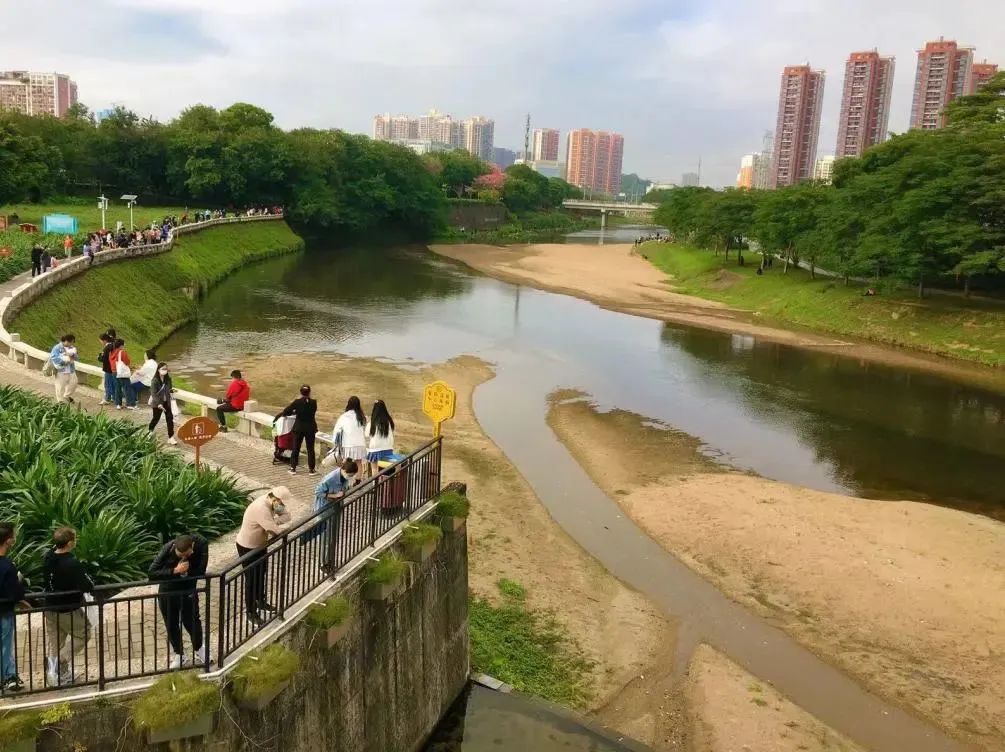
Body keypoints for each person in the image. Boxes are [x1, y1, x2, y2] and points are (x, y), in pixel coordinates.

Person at [42, 527, 94, 686]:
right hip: (67, 609)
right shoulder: (72, 563)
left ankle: (59, 677)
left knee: (57, 642)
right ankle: (55, 664)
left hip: (50, 607)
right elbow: (87, 585)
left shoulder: (48, 557)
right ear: (70, 543)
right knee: (83, 634)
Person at [234, 488, 293, 627]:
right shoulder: (262, 508)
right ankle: (250, 612)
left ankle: (260, 600)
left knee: (262, 572)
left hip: (259, 544)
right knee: (251, 579)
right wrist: (273, 525)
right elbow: (273, 531)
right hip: (247, 546)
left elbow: (287, 516)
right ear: (276, 498)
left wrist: (274, 522)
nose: (281, 504)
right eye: (280, 501)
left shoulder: (273, 501)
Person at [149, 534, 208, 669]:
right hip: (167, 591)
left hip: (188, 590)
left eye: (188, 552)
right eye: (184, 554)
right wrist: (175, 570)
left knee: (192, 621)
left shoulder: (200, 544)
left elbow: (201, 570)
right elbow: (152, 573)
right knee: (171, 623)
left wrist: (187, 572)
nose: (189, 555)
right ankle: (179, 654)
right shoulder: (167, 549)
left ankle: (199, 648)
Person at [312, 459, 359, 572]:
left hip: (336, 509)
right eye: (349, 474)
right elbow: (318, 492)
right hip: (324, 510)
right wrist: (334, 495)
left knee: (333, 537)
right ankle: (323, 564)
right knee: (325, 539)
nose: (350, 476)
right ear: (343, 470)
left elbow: (345, 488)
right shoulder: (330, 479)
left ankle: (330, 560)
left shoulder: (345, 478)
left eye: (352, 475)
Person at [0, 522, 27, 693]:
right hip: (3, 612)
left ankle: (8, 675)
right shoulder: (7, 566)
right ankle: (7, 677)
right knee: (5, 644)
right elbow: (15, 591)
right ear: (8, 540)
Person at [276, 385, 318, 476]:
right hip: (310, 428)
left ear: (300, 392)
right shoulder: (314, 402)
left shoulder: (297, 402)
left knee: (296, 448)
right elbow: (310, 411)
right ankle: (311, 469)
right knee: (310, 449)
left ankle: (293, 468)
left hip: (299, 428)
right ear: (309, 392)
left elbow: (286, 411)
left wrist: (295, 411)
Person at [330, 396, 368, 465]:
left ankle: (344, 475)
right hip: (360, 444)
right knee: (359, 463)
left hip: (348, 444)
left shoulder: (344, 416)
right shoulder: (362, 417)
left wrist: (335, 442)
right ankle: (359, 476)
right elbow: (364, 429)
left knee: (346, 462)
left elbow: (337, 430)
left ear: (348, 404)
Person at [148, 362, 177, 445]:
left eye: (166, 369)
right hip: (158, 403)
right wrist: (159, 404)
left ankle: (171, 437)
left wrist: (171, 392)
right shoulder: (155, 381)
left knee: (169, 419)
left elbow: (170, 389)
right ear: (158, 370)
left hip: (166, 403)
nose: (165, 370)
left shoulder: (168, 379)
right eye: (163, 369)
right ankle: (150, 431)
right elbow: (153, 393)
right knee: (156, 418)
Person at [366, 399, 396, 478]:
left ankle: (375, 487)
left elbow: (366, 434)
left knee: (374, 469)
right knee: (386, 471)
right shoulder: (389, 422)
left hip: (375, 450)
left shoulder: (371, 423)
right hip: (388, 449)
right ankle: (385, 488)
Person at [50, 333, 79, 404]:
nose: (72, 344)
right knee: (60, 386)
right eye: (71, 342)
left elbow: (77, 358)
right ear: (66, 341)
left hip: (71, 370)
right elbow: (54, 358)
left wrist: (73, 355)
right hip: (61, 371)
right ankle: (60, 401)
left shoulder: (72, 348)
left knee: (74, 383)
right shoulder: (57, 348)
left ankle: (66, 395)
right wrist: (65, 361)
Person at [109, 338, 136, 410]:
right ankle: (130, 404)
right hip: (122, 372)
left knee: (117, 388)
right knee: (127, 387)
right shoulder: (122, 352)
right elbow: (127, 362)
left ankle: (118, 404)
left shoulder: (112, 352)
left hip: (114, 371)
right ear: (121, 345)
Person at [97, 331, 116, 405]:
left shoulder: (107, 347)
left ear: (104, 340)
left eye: (101, 341)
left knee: (107, 384)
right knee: (113, 384)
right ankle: (114, 398)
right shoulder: (113, 345)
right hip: (113, 368)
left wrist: (99, 357)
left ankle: (107, 399)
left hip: (108, 368)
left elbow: (104, 359)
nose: (101, 342)